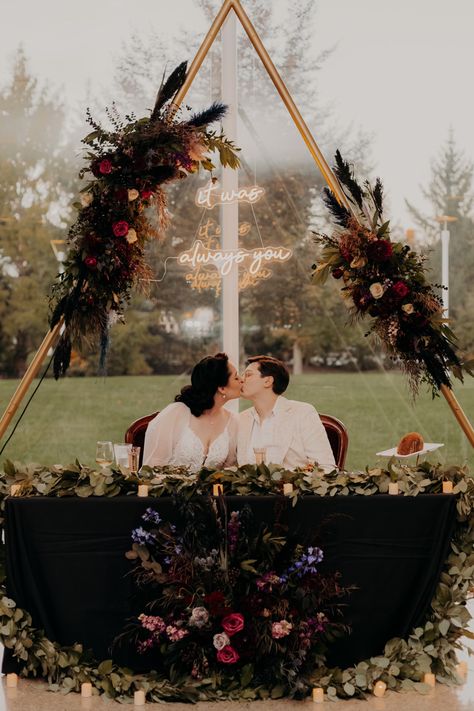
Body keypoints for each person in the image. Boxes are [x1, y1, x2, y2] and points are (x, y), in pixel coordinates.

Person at [143, 353, 241, 471]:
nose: (242, 380)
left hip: (213, 489)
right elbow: (153, 467)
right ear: (222, 388)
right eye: (236, 377)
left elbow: (229, 472)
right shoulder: (176, 414)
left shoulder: (233, 421)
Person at [238, 355, 336, 471]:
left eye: (248, 375)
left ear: (268, 381)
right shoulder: (241, 419)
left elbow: (326, 467)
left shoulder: (302, 413)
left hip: (296, 488)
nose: (241, 379)